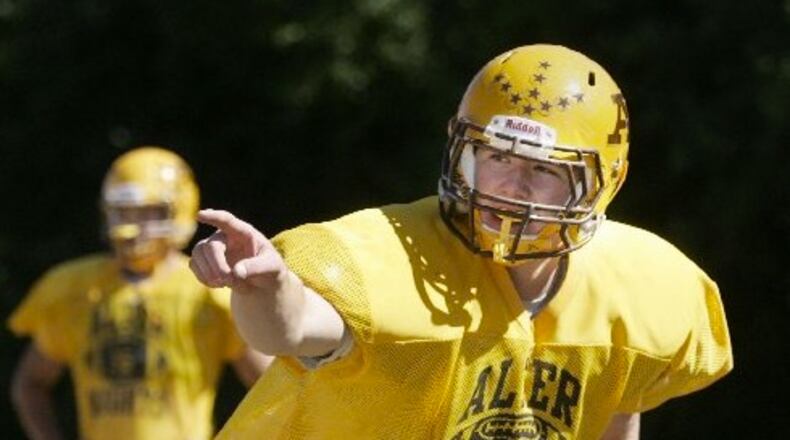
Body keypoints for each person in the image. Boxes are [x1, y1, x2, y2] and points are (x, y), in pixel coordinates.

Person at [189, 44, 733, 439]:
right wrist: (269, 287)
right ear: (463, 152)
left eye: (543, 170)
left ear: (604, 182)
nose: (510, 187)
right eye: (496, 157)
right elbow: (293, 329)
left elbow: (618, 402)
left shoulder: (640, 288)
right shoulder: (388, 251)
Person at [8, 147, 271, 440]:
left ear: (179, 208)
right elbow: (30, 384)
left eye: (149, 212)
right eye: (124, 212)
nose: (134, 226)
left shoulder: (209, 288)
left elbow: (271, 385)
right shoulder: (73, 289)